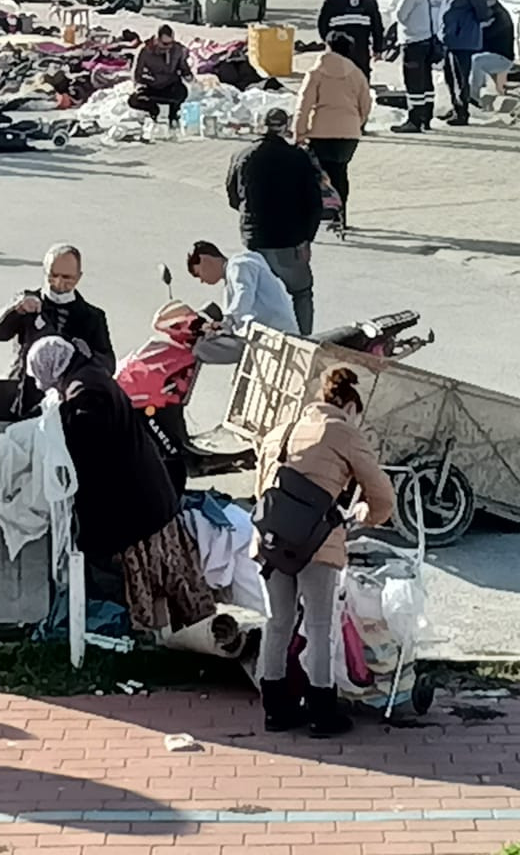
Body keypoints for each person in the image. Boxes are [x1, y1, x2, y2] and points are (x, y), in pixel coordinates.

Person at [29, 335, 208, 634]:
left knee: (151, 586)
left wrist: (59, 425)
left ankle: (164, 642)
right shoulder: (91, 374)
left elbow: (89, 439)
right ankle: (187, 638)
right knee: (174, 584)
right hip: (149, 496)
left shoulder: (85, 392)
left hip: (134, 508)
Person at [255, 367, 394, 738]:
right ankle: (321, 714)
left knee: (278, 622)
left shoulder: (279, 432)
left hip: (270, 541)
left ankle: (275, 710)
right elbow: (381, 491)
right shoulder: (343, 432)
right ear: (349, 406)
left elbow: (262, 490)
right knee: (319, 627)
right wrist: (369, 516)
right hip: (316, 543)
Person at [0, 244, 114, 417]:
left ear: (79, 277)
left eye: (67, 277)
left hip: (69, 403)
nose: (59, 283)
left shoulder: (93, 317)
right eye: (53, 275)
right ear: (45, 272)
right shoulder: (28, 300)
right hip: (26, 397)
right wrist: (17, 310)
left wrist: (87, 355)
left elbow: (109, 364)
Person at [225, 107, 321, 334]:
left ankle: (263, 341)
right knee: (301, 292)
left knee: (259, 294)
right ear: (285, 128)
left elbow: (233, 198)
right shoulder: (297, 157)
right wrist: (307, 239)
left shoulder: (242, 156)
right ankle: (304, 340)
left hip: (255, 240)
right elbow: (314, 203)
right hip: (290, 240)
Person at [296, 31, 371, 222]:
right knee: (340, 173)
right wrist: (357, 123)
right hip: (349, 134)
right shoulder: (356, 73)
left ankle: (320, 216)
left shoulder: (316, 73)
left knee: (320, 176)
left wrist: (299, 132)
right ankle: (341, 216)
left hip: (321, 132)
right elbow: (366, 104)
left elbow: (303, 104)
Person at [185, 239, 300, 363]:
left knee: (200, 348)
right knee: (207, 342)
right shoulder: (231, 275)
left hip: (273, 335)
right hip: (265, 335)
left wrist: (226, 323)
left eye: (198, 274)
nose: (201, 280)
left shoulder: (239, 265)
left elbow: (243, 296)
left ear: (205, 260)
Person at [440, 0, 489, 127]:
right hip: (449, 39)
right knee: (449, 76)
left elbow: (482, 11)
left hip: (463, 39)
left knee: (460, 77)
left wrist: (464, 26)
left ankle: (462, 112)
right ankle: (455, 107)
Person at [389, 0, 439, 134]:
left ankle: (414, 120)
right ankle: (427, 116)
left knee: (413, 82)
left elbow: (400, 15)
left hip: (413, 41)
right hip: (430, 40)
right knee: (426, 80)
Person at [316, 0, 383, 78]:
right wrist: (377, 48)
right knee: (361, 74)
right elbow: (377, 26)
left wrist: (326, 40)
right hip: (361, 45)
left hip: (338, 45)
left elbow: (322, 22)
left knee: (339, 74)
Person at [128, 23, 192, 137]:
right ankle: (153, 110)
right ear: (157, 40)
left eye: (170, 43)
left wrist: (188, 75)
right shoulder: (144, 51)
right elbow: (137, 74)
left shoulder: (176, 49)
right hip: (151, 85)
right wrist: (140, 84)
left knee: (182, 91)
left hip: (170, 84)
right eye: (165, 44)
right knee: (134, 100)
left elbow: (183, 67)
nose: (168, 47)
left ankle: (173, 115)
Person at [469, 0, 516, 107]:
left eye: (488, 0)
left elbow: (488, 36)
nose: (485, 3)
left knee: (477, 61)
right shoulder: (491, 13)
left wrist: (479, 29)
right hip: (495, 54)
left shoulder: (498, 15)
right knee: (474, 59)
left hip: (502, 58)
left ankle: (473, 96)